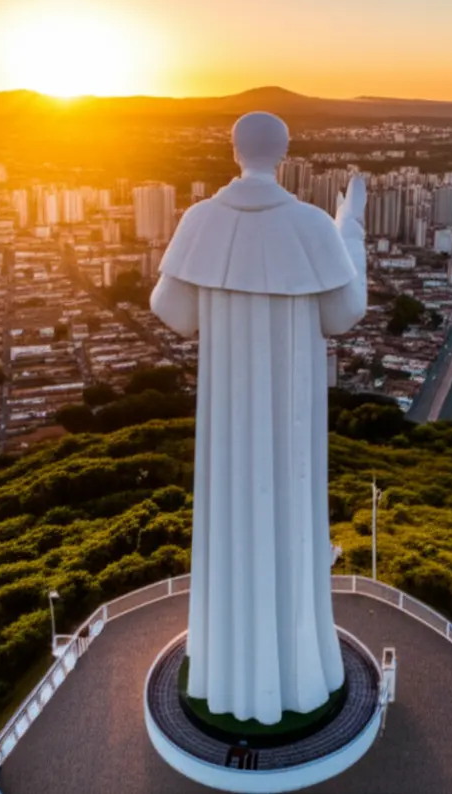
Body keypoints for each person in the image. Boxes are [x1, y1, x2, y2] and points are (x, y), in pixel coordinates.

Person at [150, 111, 367, 724]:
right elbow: (346, 311)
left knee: (227, 523)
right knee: (292, 524)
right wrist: (351, 230)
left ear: (233, 150)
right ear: (286, 153)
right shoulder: (311, 225)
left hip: (225, 424)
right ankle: (303, 674)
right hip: (291, 423)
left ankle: (219, 672)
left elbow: (172, 309)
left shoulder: (200, 220)